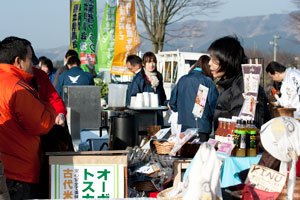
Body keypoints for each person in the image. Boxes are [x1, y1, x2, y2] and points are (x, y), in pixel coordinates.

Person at [0, 36, 56, 199]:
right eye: (30, 59)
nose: (32, 65)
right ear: (18, 61)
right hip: (18, 172)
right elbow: (42, 124)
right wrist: (48, 106)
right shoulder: (18, 87)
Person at [207, 35, 270, 130]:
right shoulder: (229, 83)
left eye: (214, 59)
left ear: (227, 60)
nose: (209, 63)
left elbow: (244, 129)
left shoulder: (244, 85)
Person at [169, 55, 219, 141]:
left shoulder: (182, 79)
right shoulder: (207, 81)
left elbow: (173, 104)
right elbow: (214, 106)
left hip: (183, 127)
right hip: (201, 127)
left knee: (185, 153)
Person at [127, 52, 167, 126]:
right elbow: (133, 98)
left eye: (153, 62)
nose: (151, 65)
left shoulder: (158, 77)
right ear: (143, 64)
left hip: (157, 116)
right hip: (143, 117)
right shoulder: (139, 78)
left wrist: (167, 104)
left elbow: (162, 96)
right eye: (148, 62)